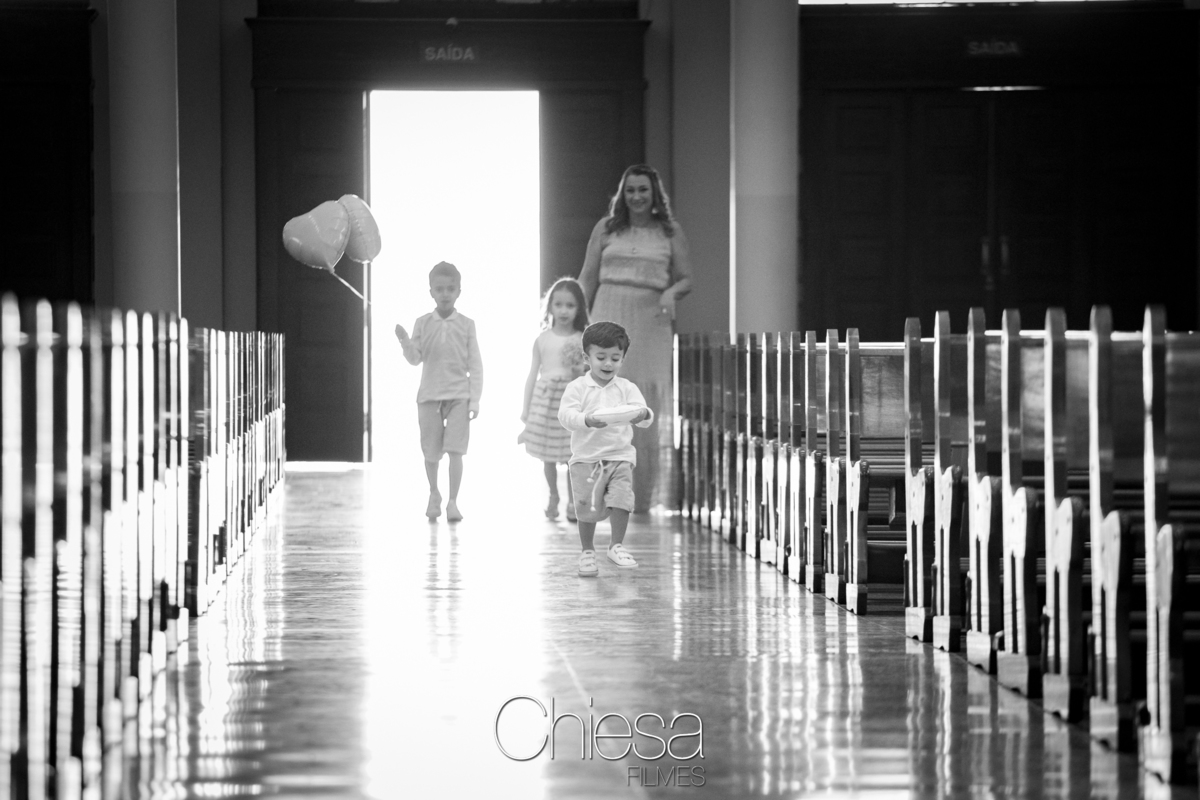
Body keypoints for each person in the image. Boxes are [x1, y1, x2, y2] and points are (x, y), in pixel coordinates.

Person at [578, 164, 693, 512]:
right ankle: (600, 491)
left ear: (654, 193)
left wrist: (671, 292)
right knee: (605, 400)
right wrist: (578, 325)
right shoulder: (606, 228)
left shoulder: (669, 231)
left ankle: (641, 495)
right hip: (608, 313)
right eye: (630, 190)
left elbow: (687, 278)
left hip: (650, 321)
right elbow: (586, 278)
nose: (637, 196)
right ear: (622, 193)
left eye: (643, 189)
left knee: (644, 404)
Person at [558, 321, 653, 577]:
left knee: (622, 499)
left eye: (615, 358)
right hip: (586, 459)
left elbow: (643, 414)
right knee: (586, 506)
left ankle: (616, 545)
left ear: (623, 359)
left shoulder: (627, 388)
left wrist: (642, 414)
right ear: (586, 358)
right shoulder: (577, 388)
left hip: (620, 456)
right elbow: (566, 416)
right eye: (601, 357)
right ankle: (587, 551)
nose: (608, 364)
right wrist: (587, 420)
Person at [394, 261, 483, 522]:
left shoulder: (467, 324)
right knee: (431, 451)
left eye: (450, 289)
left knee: (456, 450)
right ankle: (434, 493)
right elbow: (415, 359)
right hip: (429, 397)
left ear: (459, 292)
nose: (445, 294)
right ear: (431, 291)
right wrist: (404, 341)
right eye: (439, 289)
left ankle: (453, 501)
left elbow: (475, 364)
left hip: (459, 397)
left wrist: (474, 400)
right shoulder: (422, 323)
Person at [520, 277, 589, 521]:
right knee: (547, 455)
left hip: (571, 402)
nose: (563, 311)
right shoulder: (542, 340)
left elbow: (589, 374)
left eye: (570, 305)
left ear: (579, 308)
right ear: (550, 307)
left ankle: (573, 501)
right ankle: (553, 495)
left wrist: (579, 372)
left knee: (572, 455)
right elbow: (532, 375)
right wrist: (526, 408)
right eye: (558, 305)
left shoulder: (582, 338)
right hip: (547, 401)